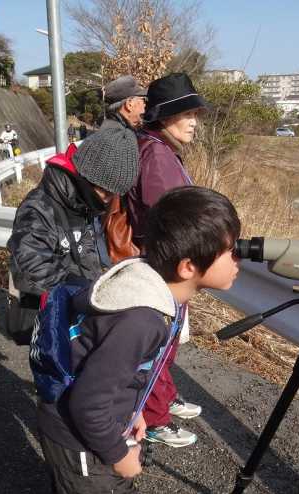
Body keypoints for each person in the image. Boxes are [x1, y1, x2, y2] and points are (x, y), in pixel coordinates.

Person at [38, 186, 241, 494]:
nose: (239, 261)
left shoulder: (155, 286)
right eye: (230, 252)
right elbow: (88, 403)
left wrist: (135, 410)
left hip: (105, 424)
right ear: (188, 266)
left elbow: (119, 371)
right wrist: (118, 454)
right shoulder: (143, 317)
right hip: (81, 438)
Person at [125, 72, 209, 447]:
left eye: (194, 114)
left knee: (165, 342)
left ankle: (162, 400)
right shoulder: (156, 153)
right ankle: (155, 418)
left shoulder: (160, 148)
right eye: (184, 114)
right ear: (163, 117)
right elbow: (164, 216)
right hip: (163, 264)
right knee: (159, 342)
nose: (193, 122)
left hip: (167, 261)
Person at [7, 126, 139, 340]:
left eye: (113, 194)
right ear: (85, 177)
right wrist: (79, 291)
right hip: (47, 314)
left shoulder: (83, 204)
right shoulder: (39, 207)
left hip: (76, 312)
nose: (107, 199)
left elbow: (88, 253)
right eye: (104, 191)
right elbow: (30, 265)